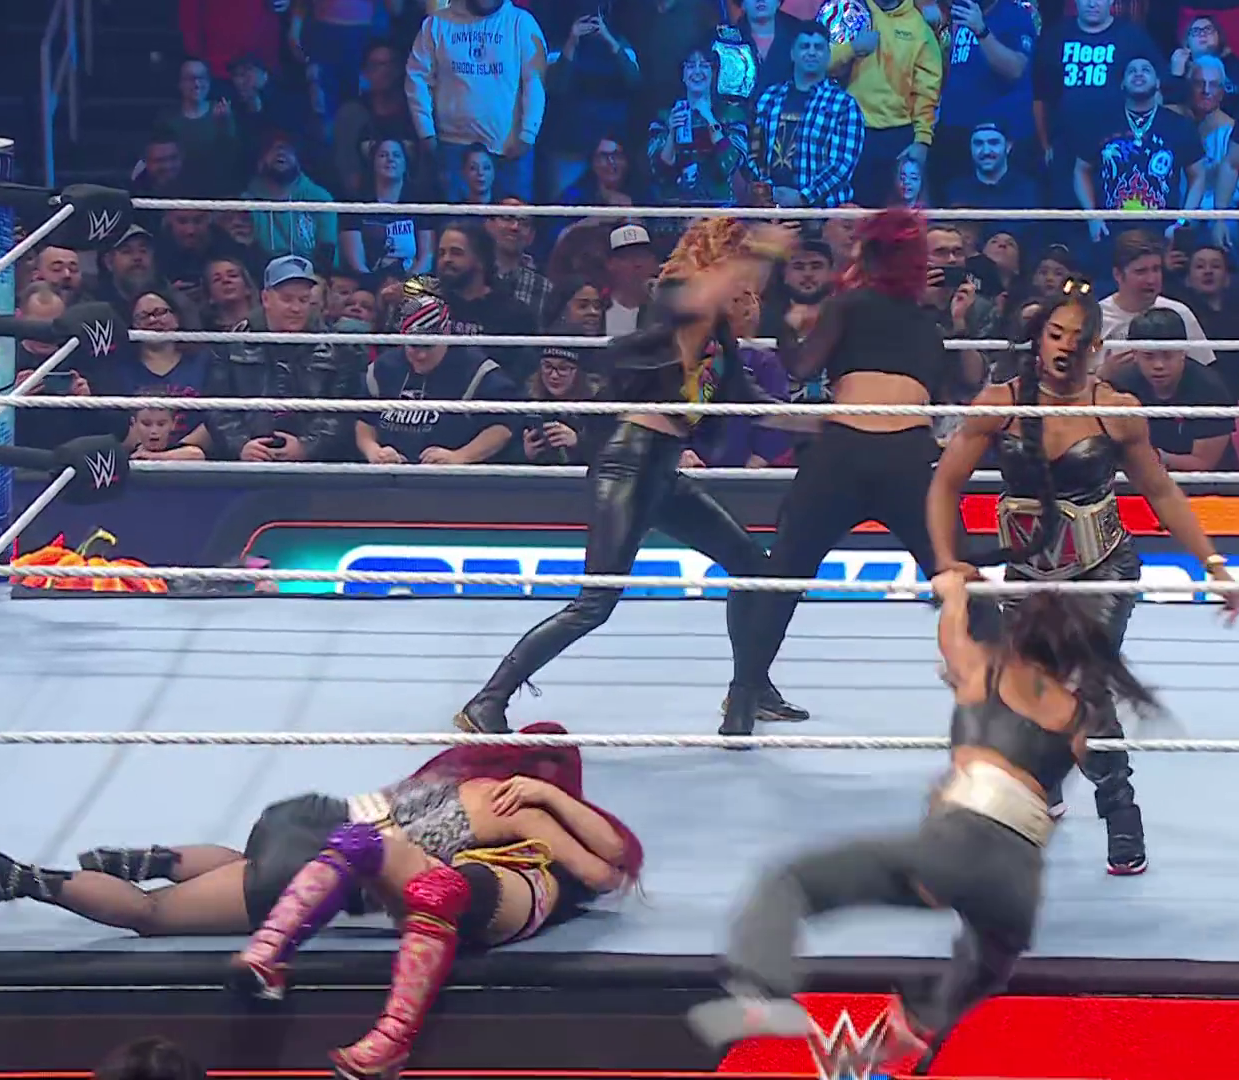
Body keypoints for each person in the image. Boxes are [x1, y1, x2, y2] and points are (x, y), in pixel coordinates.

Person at [0, 723, 642, 1078]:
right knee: (160, 913)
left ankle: (138, 864)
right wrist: (547, 796)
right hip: (337, 856)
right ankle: (38, 876)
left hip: (310, 822)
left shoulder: (452, 782)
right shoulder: (519, 810)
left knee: (238, 880)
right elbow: (606, 864)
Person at [685, 567, 1164, 1072]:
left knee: (789, 882)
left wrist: (954, 594)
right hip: (1020, 883)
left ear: (1020, 638)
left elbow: (952, 640)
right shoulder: (1079, 716)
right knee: (975, 972)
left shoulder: (986, 672)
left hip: (958, 844)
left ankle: (760, 996)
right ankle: (897, 1046)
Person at [923, 280, 1239, 875]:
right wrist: (947, 560)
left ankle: (1120, 810)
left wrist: (1213, 563)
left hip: (1103, 571)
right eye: (1055, 334)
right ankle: (1044, 782)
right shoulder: (999, 404)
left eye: (1077, 337)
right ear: (1039, 339)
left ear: (1096, 346)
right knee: (1029, 688)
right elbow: (945, 483)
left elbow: (1161, 492)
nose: (1065, 346)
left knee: (1084, 685)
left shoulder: (1116, 411)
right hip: (1028, 575)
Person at [456, 219, 805, 737]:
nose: (751, 302)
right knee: (595, 602)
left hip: (663, 468)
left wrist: (856, 423)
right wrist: (760, 252)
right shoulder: (676, 298)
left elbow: (765, 409)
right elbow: (703, 298)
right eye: (743, 292)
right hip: (628, 462)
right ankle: (488, 701)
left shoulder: (719, 353)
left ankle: (750, 688)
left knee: (751, 564)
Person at [722, 207, 948, 732]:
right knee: (952, 574)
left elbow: (802, 367)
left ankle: (742, 700)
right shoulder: (928, 327)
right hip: (906, 456)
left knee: (785, 576)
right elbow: (934, 397)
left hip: (841, 452)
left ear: (870, 256)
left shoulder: (848, 305)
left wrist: (785, 328)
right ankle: (1009, 698)